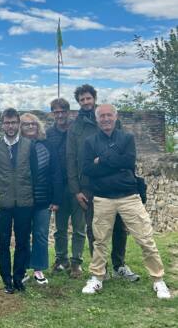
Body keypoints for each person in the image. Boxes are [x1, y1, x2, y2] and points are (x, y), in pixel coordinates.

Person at [81, 104, 171, 299]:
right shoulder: (90, 142)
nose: (105, 119)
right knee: (99, 241)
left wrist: (101, 160)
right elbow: (87, 169)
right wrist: (113, 161)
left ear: (115, 117)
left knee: (145, 238)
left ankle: (158, 279)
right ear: (97, 119)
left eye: (109, 115)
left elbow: (128, 162)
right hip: (103, 197)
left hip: (128, 196)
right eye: (102, 116)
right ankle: (97, 277)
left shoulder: (127, 138)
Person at [66, 84, 138, 281]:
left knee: (119, 227)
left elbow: (125, 154)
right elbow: (71, 159)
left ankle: (119, 265)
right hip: (89, 186)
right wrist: (76, 190)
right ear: (78, 102)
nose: (86, 102)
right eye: (82, 100)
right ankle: (101, 269)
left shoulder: (111, 120)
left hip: (116, 184)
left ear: (94, 98)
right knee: (94, 229)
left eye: (88, 98)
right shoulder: (76, 128)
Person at [0, 108, 34, 294]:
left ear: (18, 124)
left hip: (24, 202)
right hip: (3, 204)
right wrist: (2, 188)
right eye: (7, 123)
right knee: (3, 242)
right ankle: (6, 279)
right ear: (2, 124)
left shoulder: (29, 145)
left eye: (14, 122)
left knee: (23, 242)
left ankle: (18, 277)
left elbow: (35, 171)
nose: (10, 126)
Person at [20, 113, 62, 285]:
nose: (30, 127)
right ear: (20, 127)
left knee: (41, 235)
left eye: (33, 124)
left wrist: (57, 198)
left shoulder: (47, 146)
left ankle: (38, 269)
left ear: (38, 126)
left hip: (43, 199)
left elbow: (56, 173)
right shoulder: (17, 146)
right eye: (26, 124)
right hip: (22, 199)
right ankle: (21, 268)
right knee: (23, 235)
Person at [46, 98, 87, 274]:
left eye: (63, 111)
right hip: (60, 187)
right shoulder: (49, 133)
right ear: (52, 114)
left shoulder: (77, 130)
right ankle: (61, 260)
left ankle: (77, 262)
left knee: (79, 227)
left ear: (69, 112)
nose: (60, 115)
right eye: (56, 112)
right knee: (60, 229)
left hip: (78, 185)